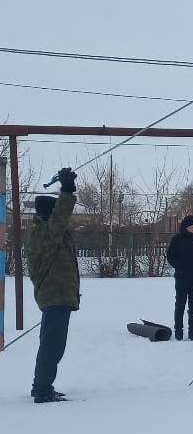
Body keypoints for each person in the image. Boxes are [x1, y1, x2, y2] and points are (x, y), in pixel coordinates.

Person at [27, 167, 79, 403]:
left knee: (52, 346)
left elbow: (60, 222)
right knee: (52, 347)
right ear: (51, 214)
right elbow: (60, 219)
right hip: (54, 297)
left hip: (58, 297)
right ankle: (42, 390)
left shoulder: (49, 233)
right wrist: (67, 190)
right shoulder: (45, 234)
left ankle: (42, 385)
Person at [167, 215, 193, 341]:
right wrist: (180, 267)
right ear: (187, 227)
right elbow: (170, 257)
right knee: (180, 304)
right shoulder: (177, 239)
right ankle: (178, 331)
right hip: (182, 277)